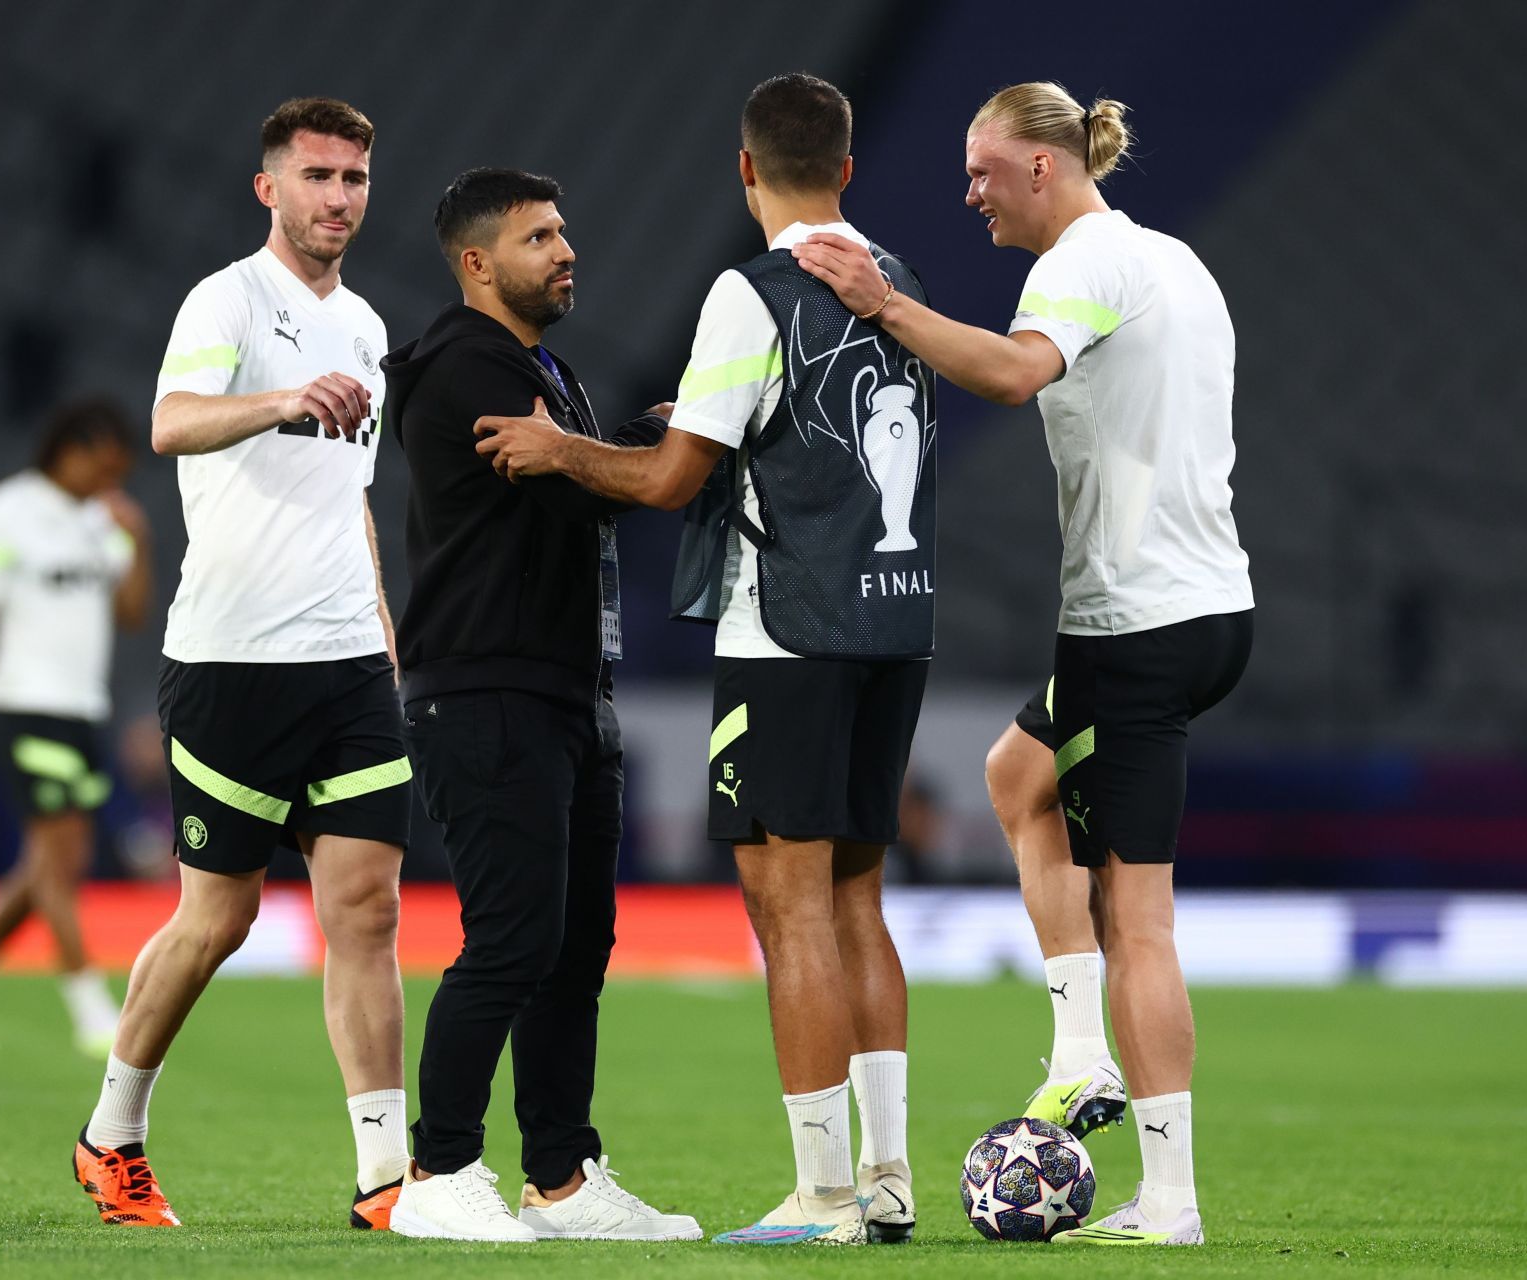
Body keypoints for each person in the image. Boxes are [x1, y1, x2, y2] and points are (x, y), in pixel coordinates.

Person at [474, 74, 933, 1248]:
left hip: (786, 634)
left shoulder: (752, 290)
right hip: (893, 621)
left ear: (745, 169)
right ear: (846, 166)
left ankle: (823, 1196)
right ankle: (888, 1177)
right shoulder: (898, 282)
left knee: (789, 912)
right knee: (857, 900)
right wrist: (724, 431)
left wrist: (562, 447)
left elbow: (670, 482)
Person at [792, 81, 1254, 1247]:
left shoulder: (1078, 265)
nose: (970, 189)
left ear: (1041, 170)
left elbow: (1009, 373)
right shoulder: (1174, 261)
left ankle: (1171, 1200)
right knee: (1018, 774)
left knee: (1136, 915)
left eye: (983, 169)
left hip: (1136, 625)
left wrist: (881, 304)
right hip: (1205, 607)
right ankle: (1083, 1051)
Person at [70, 97, 412, 1233]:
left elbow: (351, 495)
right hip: (231, 659)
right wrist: (279, 399)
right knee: (215, 919)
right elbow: (168, 422)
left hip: (349, 659)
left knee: (366, 908)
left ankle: (386, 1176)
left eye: (355, 178)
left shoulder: (366, 325)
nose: (339, 198)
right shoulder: (227, 299)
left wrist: (384, 630)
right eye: (318, 175)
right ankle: (111, 1131)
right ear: (269, 187)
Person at [381, 167, 698, 1244]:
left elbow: (597, 483)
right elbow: (602, 485)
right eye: (538, 237)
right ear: (477, 261)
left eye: (565, 231)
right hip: (488, 686)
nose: (566, 250)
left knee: (572, 948)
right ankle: (437, 1167)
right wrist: (664, 456)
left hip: (563, 687)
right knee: (512, 938)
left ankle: (561, 1176)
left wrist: (647, 451)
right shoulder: (471, 363)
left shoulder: (540, 367)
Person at [0, 397, 149, 1060]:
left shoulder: (104, 521)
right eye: (104, 468)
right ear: (69, 451)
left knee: (58, 861)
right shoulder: (3, 515)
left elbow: (131, 613)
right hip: (21, 705)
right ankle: (89, 1005)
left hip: (81, 711)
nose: (112, 483)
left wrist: (137, 540)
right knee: (60, 848)